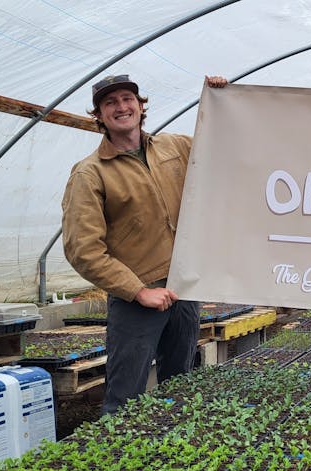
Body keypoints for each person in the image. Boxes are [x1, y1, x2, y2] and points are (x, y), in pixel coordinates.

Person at [61, 73, 227, 414]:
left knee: (181, 385)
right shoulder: (91, 173)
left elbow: (221, 146)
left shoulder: (174, 148)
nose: (121, 107)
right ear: (98, 115)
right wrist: (138, 291)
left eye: (127, 99)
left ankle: (173, 456)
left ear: (140, 105)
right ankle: (118, 464)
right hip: (136, 298)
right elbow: (83, 249)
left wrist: (220, 99)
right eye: (110, 103)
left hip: (182, 289)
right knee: (125, 397)